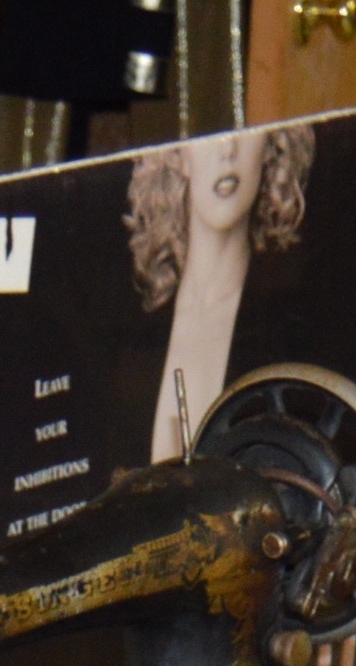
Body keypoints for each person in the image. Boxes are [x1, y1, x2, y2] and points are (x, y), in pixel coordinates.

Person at [129, 123, 315, 464]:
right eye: (207, 133)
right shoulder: (133, 327)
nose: (227, 150)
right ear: (177, 157)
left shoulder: (293, 328)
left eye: (247, 131)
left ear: (272, 148)